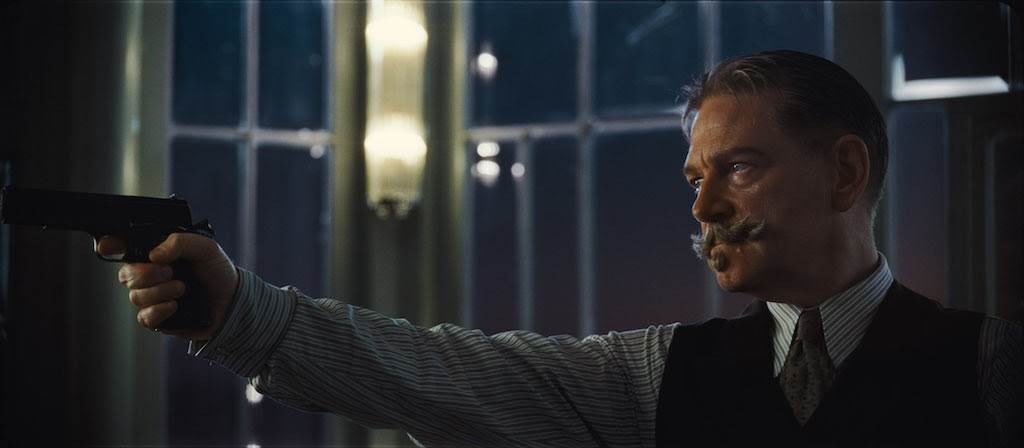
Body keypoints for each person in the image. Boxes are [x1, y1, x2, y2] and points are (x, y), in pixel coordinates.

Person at [99, 50, 1022, 447]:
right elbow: (437, 372)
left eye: (738, 168)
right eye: (693, 177)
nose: (703, 206)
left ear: (846, 172)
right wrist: (238, 312)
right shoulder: (657, 374)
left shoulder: (993, 368)